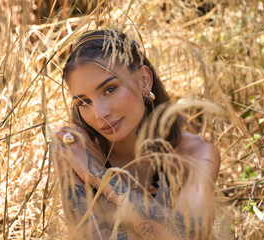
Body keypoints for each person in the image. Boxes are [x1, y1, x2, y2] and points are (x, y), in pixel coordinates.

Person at [51, 28, 220, 240]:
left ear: (144, 80)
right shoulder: (75, 152)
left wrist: (99, 176)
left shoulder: (195, 153)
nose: (100, 113)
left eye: (110, 89)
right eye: (84, 102)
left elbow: (189, 236)